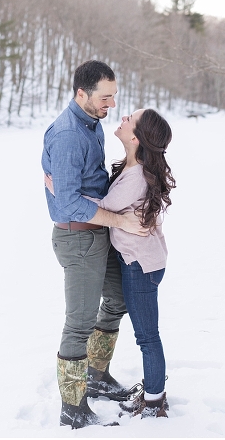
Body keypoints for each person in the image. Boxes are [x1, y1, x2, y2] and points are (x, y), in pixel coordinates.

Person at [45, 107, 176, 420]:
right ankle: (100, 381)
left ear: (135, 137)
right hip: (139, 260)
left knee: (147, 336)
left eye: (131, 118)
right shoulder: (132, 168)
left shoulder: (135, 177)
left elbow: (102, 205)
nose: (124, 115)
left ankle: (154, 400)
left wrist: (61, 192)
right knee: (133, 324)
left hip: (140, 264)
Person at [41, 60, 146, 430]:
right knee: (80, 322)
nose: (112, 104)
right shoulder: (69, 134)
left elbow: (88, 181)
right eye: (106, 97)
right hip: (78, 237)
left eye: (114, 96)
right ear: (81, 93)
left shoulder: (92, 124)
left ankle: (97, 376)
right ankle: (73, 407)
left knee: (118, 298)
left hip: (96, 232)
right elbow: (69, 201)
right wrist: (119, 219)